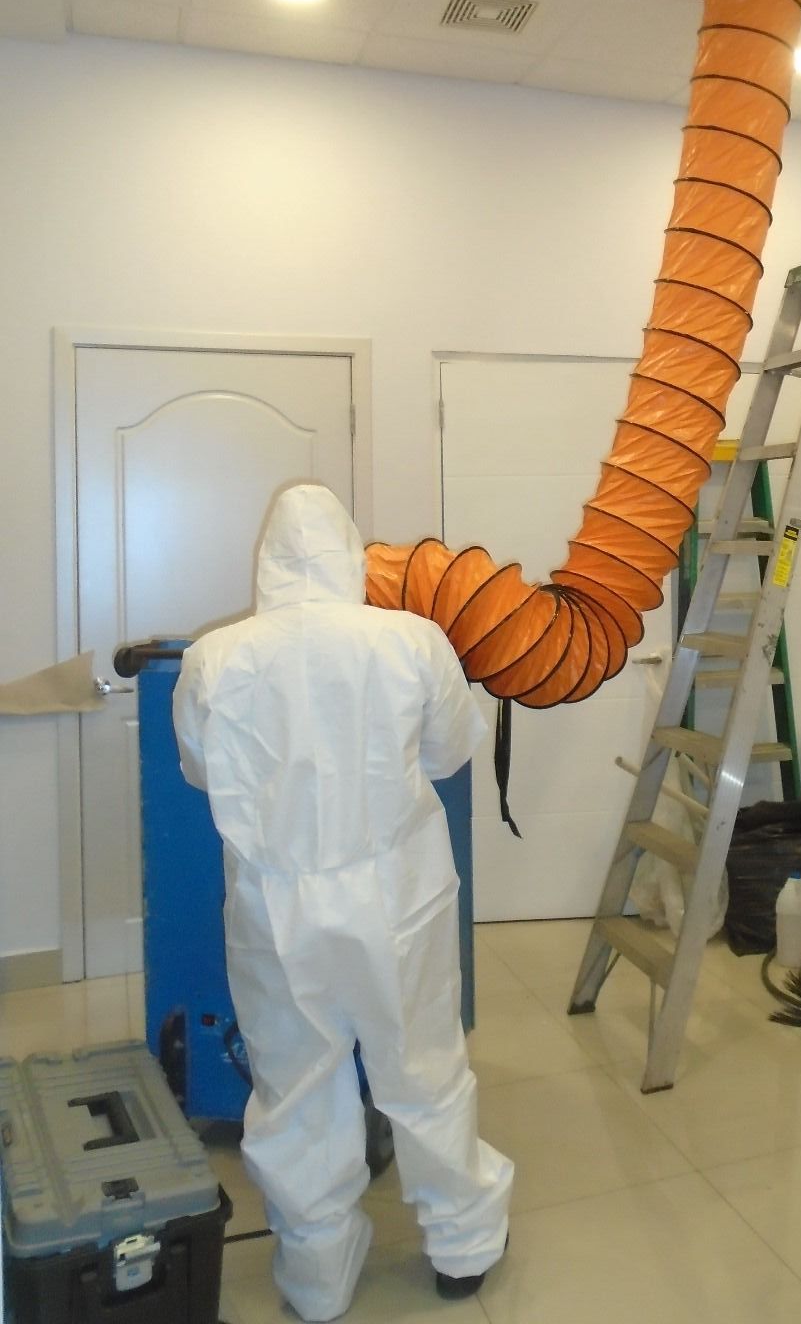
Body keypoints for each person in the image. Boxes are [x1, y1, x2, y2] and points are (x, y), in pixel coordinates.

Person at [173, 482, 513, 1321]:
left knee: (295, 1084)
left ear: (267, 562)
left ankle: (317, 1275)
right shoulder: (410, 641)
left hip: (276, 903)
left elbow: (200, 770)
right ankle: (462, 1249)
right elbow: (450, 750)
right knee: (424, 1069)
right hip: (398, 892)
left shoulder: (218, 657)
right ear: (351, 554)